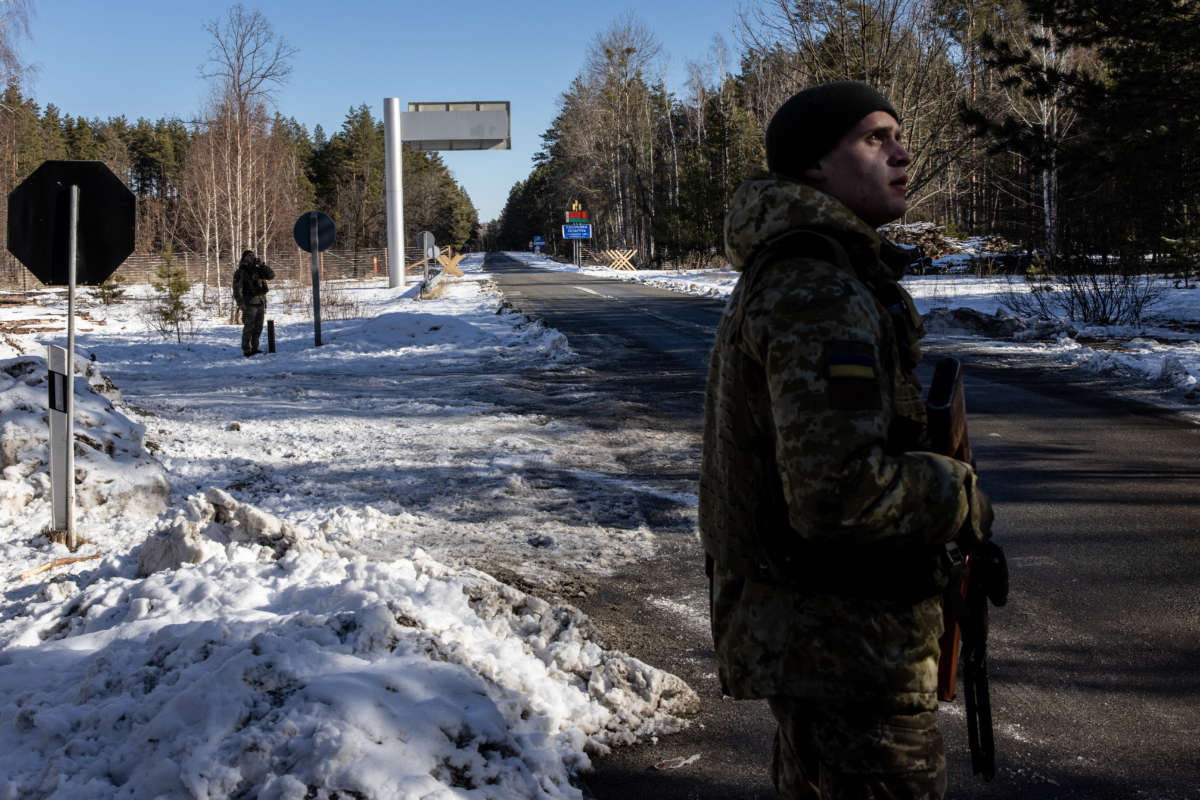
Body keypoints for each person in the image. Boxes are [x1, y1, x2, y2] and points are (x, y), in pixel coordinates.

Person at [699, 81, 993, 799]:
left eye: (898, 134)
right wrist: (957, 494)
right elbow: (838, 495)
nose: (902, 152)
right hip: (844, 651)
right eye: (874, 138)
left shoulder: (820, 269)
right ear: (814, 169)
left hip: (830, 645)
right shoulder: (815, 288)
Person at [232, 249, 275, 357]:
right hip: (249, 303)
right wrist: (240, 303)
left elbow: (271, 275)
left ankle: (255, 348)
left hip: (260, 301)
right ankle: (247, 349)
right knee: (249, 327)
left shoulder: (258, 269)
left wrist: (262, 265)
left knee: (258, 327)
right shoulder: (241, 272)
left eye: (253, 255)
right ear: (244, 257)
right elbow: (237, 289)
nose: (252, 257)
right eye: (249, 255)